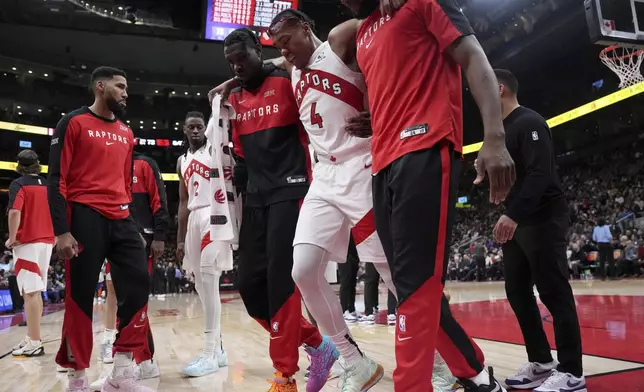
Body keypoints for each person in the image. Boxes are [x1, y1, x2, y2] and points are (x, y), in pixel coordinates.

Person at [343, 0, 517, 391]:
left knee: (417, 285)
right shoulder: (364, 30)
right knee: (409, 287)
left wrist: (494, 137)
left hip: (425, 148)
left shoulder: (421, 2)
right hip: (381, 162)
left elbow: (473, 56)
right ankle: (473, 371)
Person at [221, 29, 338, 392]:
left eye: (242, 57)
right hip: (256, 198)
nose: (238, 66)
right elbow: (239, 154)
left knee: (281, 284)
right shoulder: (233, 97)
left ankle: (284, 375)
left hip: (293, 191)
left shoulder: (288, 80)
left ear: (259, 49)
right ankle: (318, 343)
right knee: (248, 285)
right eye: (231, 62)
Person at [47, 66, 153, 392]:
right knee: (80, 298)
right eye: (119, 87)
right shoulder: (73, 122)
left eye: (126, 88)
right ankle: (77, 377)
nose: (125, 93)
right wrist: (62, 230)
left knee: (137, 288)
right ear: (100, 86)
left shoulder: (126, 132)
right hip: (84, 217)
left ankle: (121, 373)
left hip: (121, 218)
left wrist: (132, 225)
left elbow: (124, 182)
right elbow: (56, 179)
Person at [491, 69, 585, 392]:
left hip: (543, 216)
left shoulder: (528, 122)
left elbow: (541, 173)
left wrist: (512, 214)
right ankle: (543, 361)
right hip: (518, 219)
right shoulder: (499, 133)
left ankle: (572, 372)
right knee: (517, 291)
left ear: (500, 89)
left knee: (554, 291)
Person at [90, 151, 169, 390]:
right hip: (115, 238)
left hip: (141, 240)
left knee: (135, 301)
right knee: (126, 300)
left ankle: (129, 365)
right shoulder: (106, 163)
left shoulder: (145, 164)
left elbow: (159, 199)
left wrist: (160, 235)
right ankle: (145, 363)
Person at [176, 111, 231, 377]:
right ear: (185, 130)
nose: (196, 131)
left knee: (210, 279)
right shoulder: (181, 160)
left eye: (199, 127)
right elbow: (182, 202)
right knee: (200, 285)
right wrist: (179, 237)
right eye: (191, 127)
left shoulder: (214, 149)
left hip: (215, 214)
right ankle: (219, 349)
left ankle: (209, 353)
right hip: (194, 220)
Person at [6, 149, 55, 357]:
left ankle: (35, 341)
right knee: (33, 292)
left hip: (28, 242)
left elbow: (15, 211)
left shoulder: (19, 184)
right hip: (47, 241)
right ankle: (31, 336)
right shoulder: (47, 184)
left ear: (19, 165)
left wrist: (11, 236)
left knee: (31, 292)